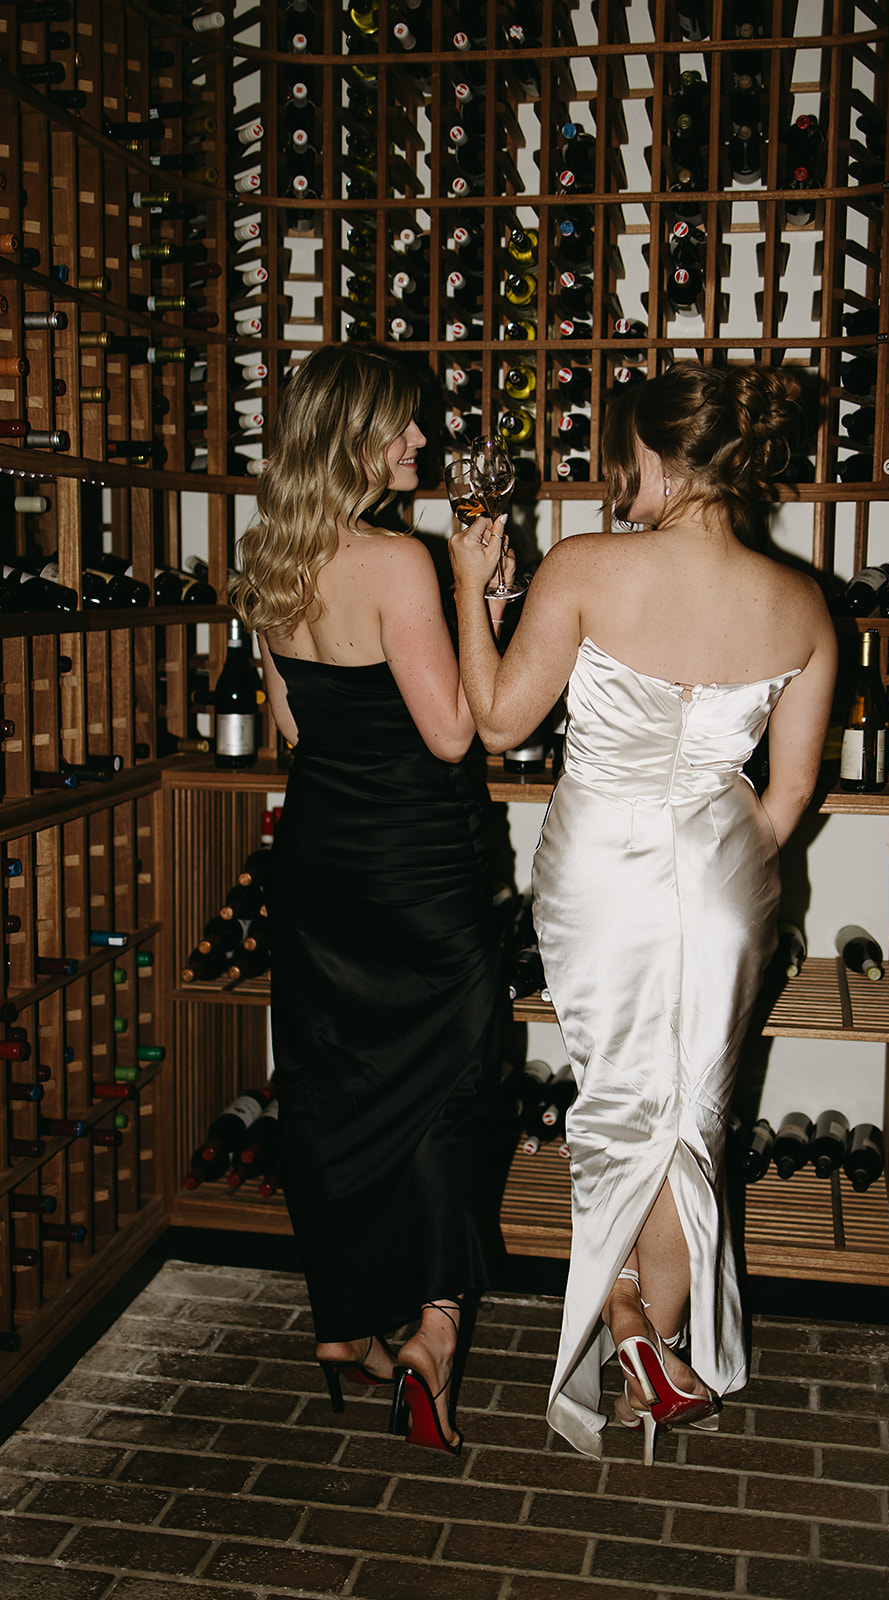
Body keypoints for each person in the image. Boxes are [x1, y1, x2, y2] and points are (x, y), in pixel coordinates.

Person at [449, 361, 837, 1463]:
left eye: (626, 462)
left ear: (660, 458)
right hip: (721, 869)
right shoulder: (800, 602)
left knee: (619, 1105)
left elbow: (495, 726)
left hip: (598, 870)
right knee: (687, 1123)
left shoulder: (583, 566)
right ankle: (647, 1346)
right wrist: (715, 857)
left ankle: (624, 1326)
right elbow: (793, 794)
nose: (619, 481)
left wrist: (477, 590)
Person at [233, 344, 508, 1457]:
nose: (421, 444)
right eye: (402, 427)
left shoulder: (267, 558)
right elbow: (457, 733)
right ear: (353, 435)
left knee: (333, 1086)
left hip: (318, 868)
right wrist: (468, 589)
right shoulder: (396, 561)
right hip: (417, 874)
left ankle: (346, 1327)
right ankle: (435, 1334)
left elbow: (294, 732)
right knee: (456, 1086)